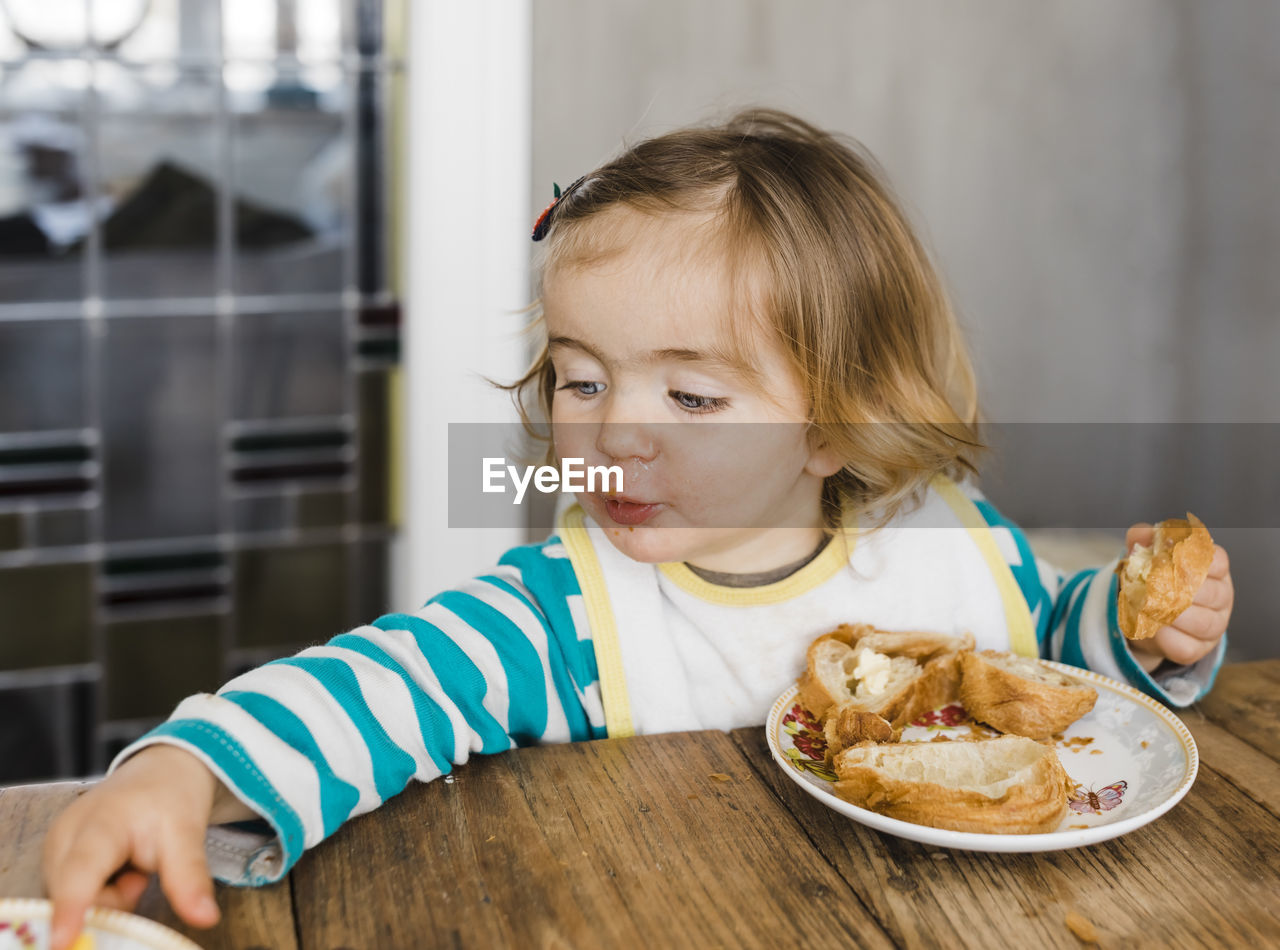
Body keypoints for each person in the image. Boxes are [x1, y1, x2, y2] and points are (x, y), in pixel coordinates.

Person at [41, 109, 1234, 949]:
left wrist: (1146, 627)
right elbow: (380, 687)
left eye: (692, 396)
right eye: (580, 378)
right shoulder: (565, 615)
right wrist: (188, 767)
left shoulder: (949, 545)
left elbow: (1051, 652)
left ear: (833, 425)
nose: (615, 432)